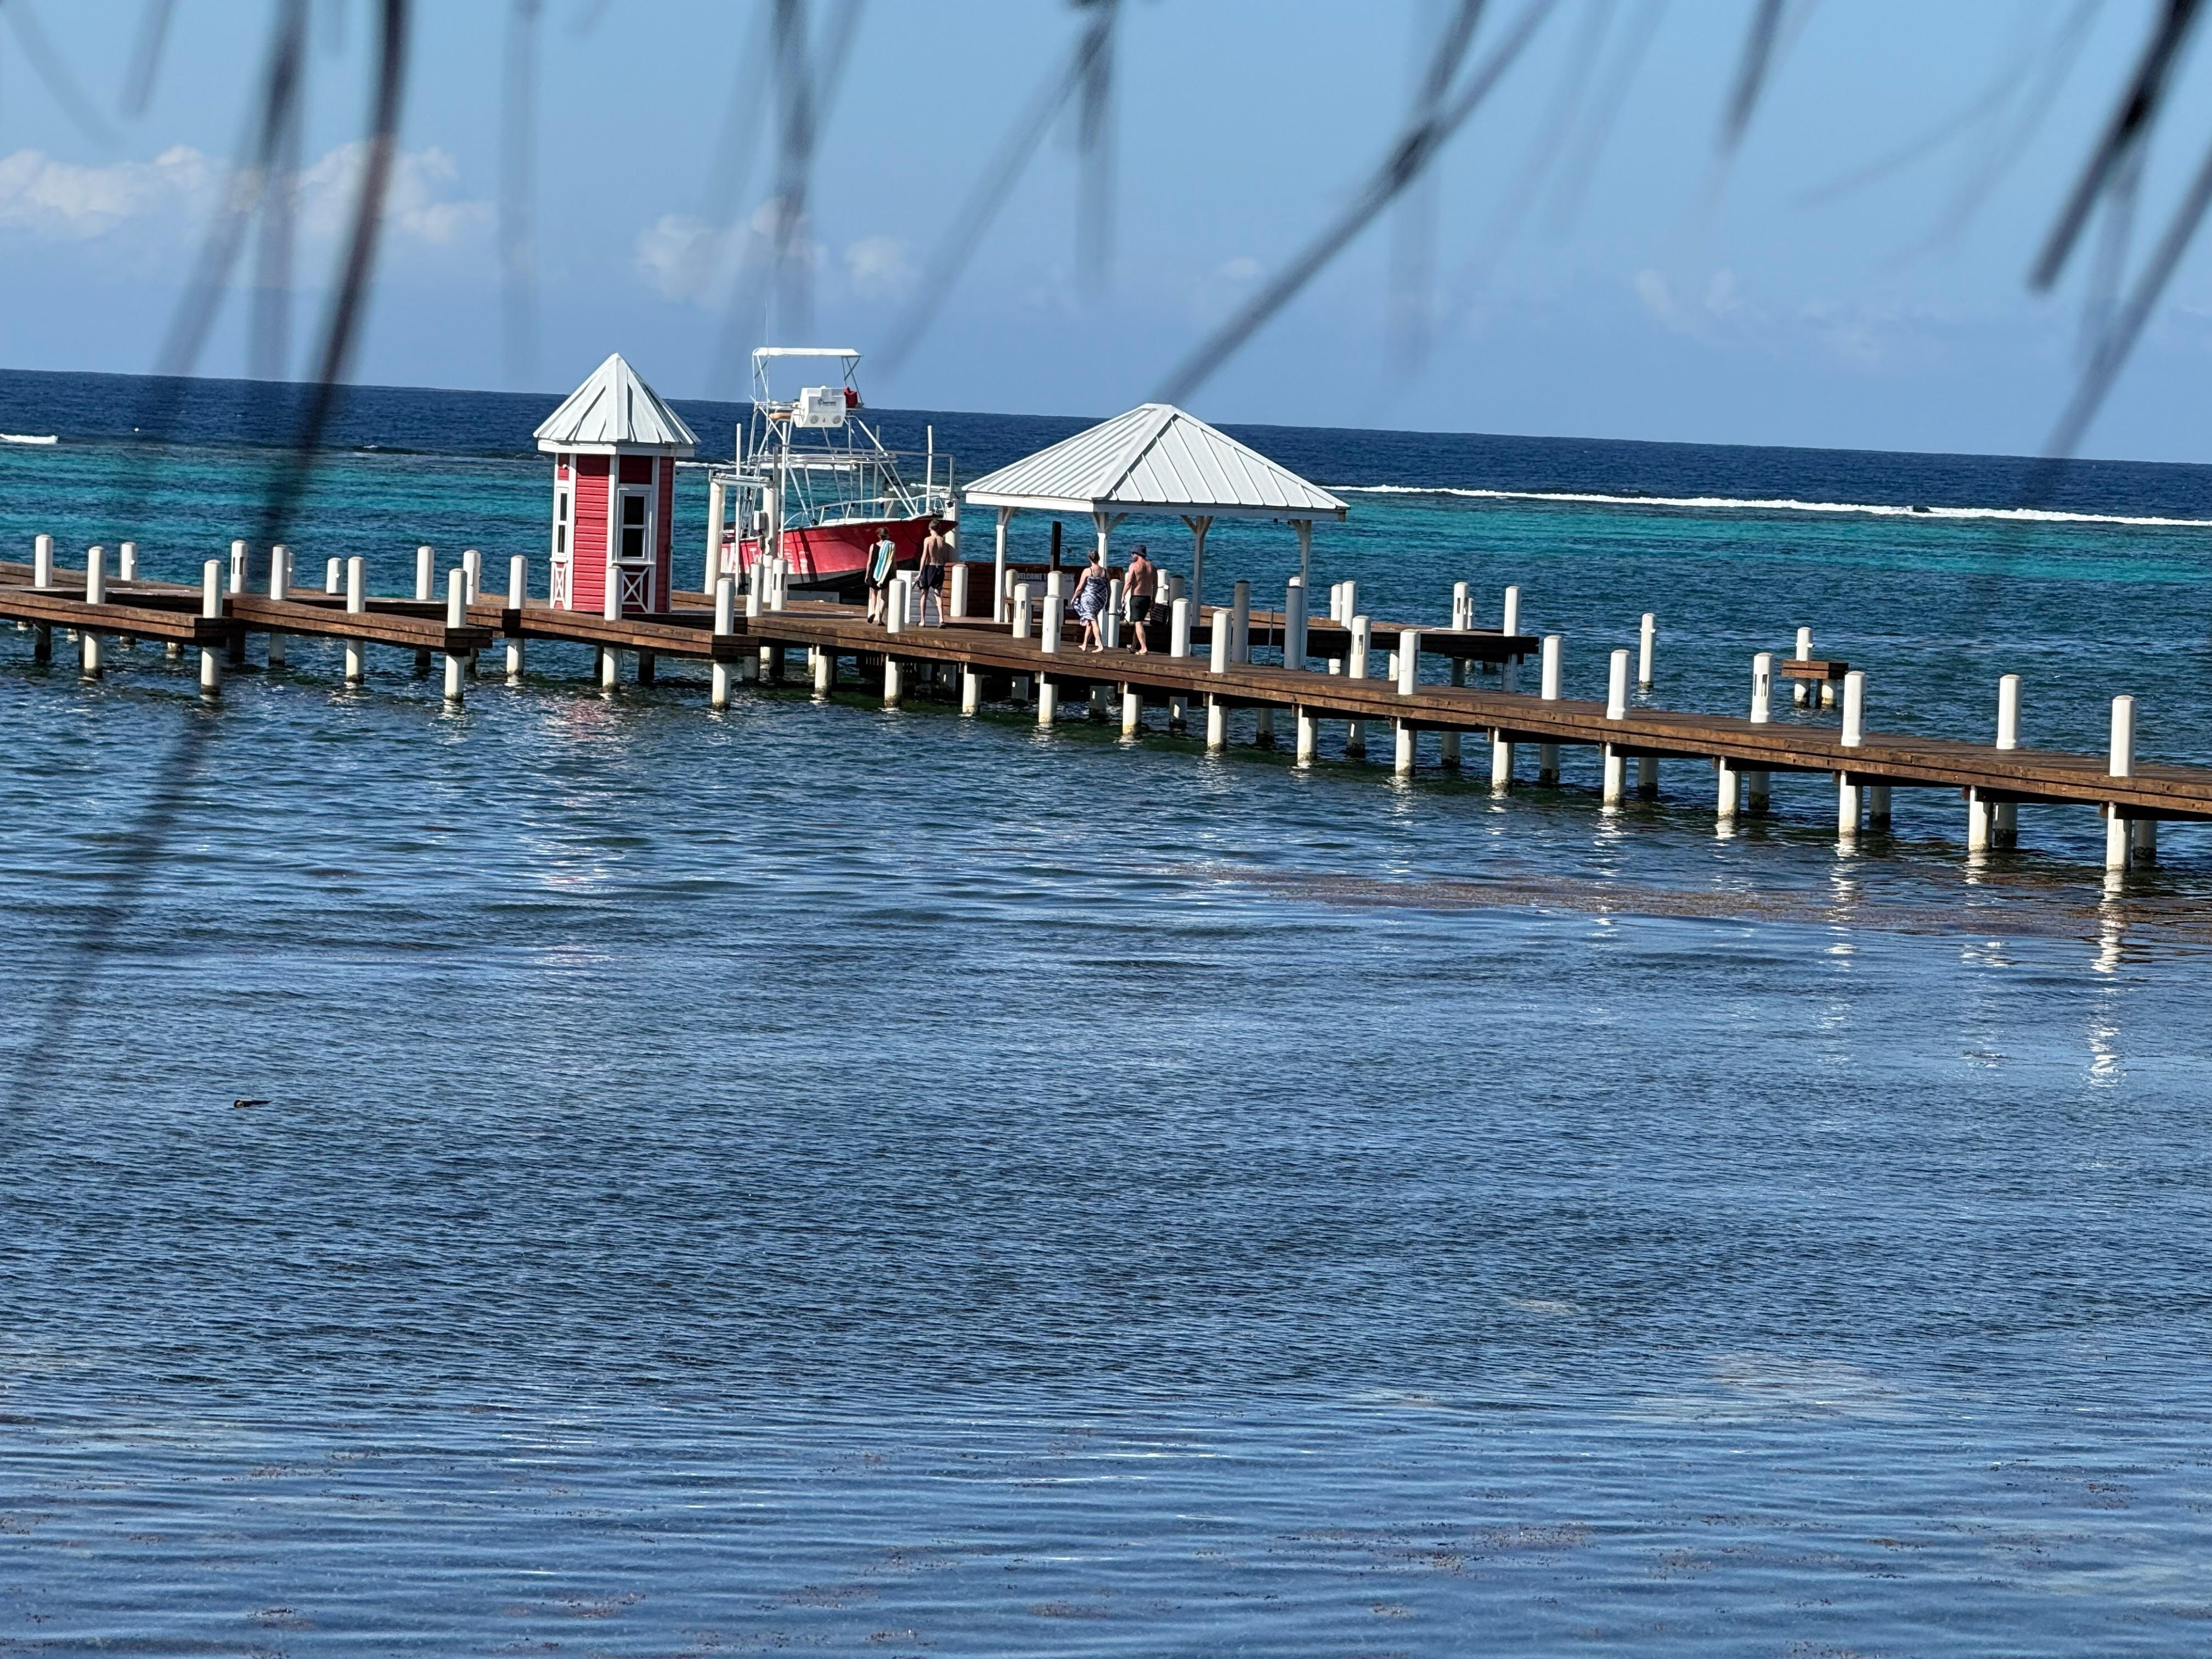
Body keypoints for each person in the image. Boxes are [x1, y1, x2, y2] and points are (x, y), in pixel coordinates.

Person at [1071, 548, 1111, 651]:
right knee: (1090, 621)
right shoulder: (1105, 572)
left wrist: (1074, 597)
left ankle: (1100, 645)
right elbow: (1109, 589)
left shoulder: (1088, 571)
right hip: (1100, 600)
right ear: (1099, 558)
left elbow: (1080, 587)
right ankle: (1084, 644)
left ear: (1090, 559)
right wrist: (1108, 602)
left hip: (1089, 600)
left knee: (1093, 621)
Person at [1122, 544, 1157, 654]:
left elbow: (1129, 582)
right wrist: (1153, 599)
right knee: (1139, 623)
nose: (1132, 555)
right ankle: (1134, 646)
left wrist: (1123, 596)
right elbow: (1156, 585)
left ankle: (1144, 648)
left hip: (1137, 597)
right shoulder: (1152, 567)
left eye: (1133, 553)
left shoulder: (1134, 566)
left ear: (1138, 554)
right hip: (1147, 598)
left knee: (1138, 623)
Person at [917, 518, 949, 627]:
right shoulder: (942, 540)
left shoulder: (928, 540)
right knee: (938, 594)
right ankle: (941, 619)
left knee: (924, 594)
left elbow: (924, 557)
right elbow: (945, 557)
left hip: (929, 568)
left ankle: (923, 620)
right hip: (940, 567)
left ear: (930, 528)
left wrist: (920, 573)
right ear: (939, 528)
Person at [865, 528, 896, 623]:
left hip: (874, 572)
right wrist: (894, 573)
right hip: (885, 573)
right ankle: (880, 620)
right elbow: (893, 561)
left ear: (878, 535)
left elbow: (869, 562)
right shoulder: (891, 546)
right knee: (883, 597)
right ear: (887, 535)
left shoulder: (873, 546)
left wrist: (867, 575)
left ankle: (873, 612)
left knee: (873, 593)